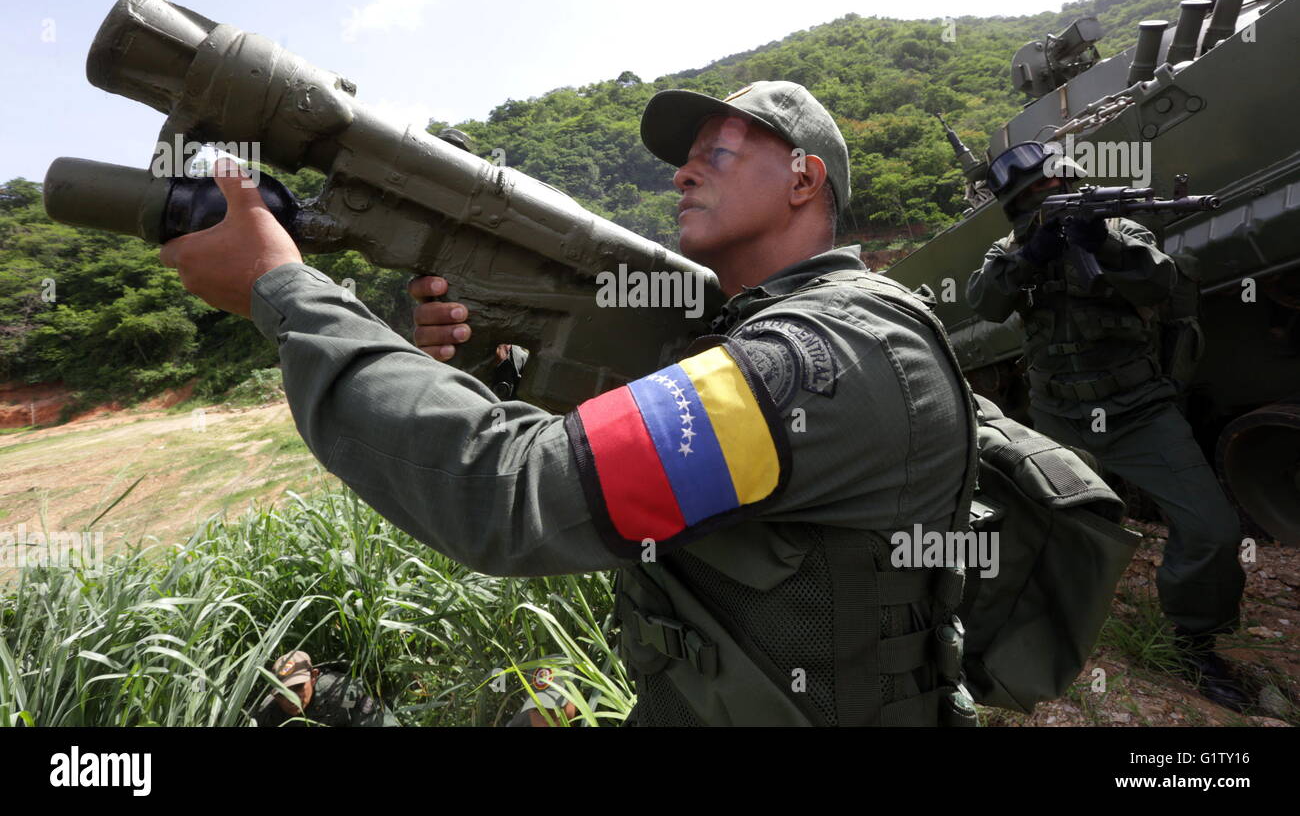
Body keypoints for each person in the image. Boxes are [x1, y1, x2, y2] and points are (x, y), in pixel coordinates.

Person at [160, 81, 975, 726]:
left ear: (805, 177)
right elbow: (595, 443)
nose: (683, 173)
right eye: (685, 160)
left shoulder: (814, 359)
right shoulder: (764, 333)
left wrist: (286, 293)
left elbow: (512, 493)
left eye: (716, 154)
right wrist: (488, 362)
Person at [965, 141, 1249, 711]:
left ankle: (1195, 642)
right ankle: (1032, 634)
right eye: (1032, 196)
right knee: (1038, 534)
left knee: (1214, 533)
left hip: (1139, 412)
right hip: (1057, 417)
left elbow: (1161, 284)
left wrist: (1104, 246)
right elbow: (984, 302)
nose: (1048, 198)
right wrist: (1030, 255)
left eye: (1052, 186)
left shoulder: (1122, 229)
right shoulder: (1013, 247)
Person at [251, 650, 398, 727]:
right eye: (283, 693)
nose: (291, 698)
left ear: (313, 677)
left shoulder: (343, 693)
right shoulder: (268, 713)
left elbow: (377, 720)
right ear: (275, 695)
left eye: (298, 687)